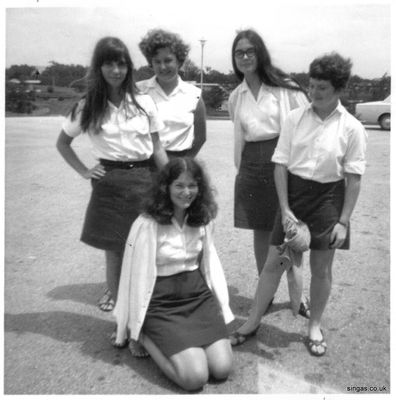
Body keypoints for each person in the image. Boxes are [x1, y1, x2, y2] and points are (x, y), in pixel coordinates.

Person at [229, 52, 367, 357]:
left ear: (339, 90)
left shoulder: (353, 128)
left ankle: (314, 325)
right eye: (313, 85)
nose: (314, 93)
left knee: (321, 269)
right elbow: (280, 165)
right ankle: (252, 321)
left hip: (329, 202)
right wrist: (286, 209)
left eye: (323, 88)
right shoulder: (294, 119)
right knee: (275, 264)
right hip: (295, 199)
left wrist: (343, 222)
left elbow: (354, 178)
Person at [56, 37, 168, 314]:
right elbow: (62, 143)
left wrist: (171, 179)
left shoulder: (144, 102)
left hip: (145, 179)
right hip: (110, 185)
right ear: (99, 67)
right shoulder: (87, 106)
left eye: (121, 64)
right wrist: (84, 170)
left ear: (129, 67)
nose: (116, 70)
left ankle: (146, 314)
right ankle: (122, 321)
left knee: (147, 251)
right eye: (109, 64)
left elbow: (157, 147)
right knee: (115, 252)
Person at [113, 158, 234, 391]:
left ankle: (184, 345)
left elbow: (210, 264)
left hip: (197, 298)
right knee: (194, 377)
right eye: (179, 185)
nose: (186, 192)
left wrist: (222, 304)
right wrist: (131, 322)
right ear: (165, 187)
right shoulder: (147, 223)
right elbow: (133, 273)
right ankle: (145, 336)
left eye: (192, 185)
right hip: (161, 303)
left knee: (222, 368)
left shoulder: (202, 219)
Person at [228, 29, 309, 277]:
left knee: (291, 229)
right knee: (261, 230)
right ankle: (266, 289)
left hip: (282, 163)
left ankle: (299, 296)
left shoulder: (285, 88)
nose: (244, 57)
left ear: (260, 53)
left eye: (250, 51)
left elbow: (307, 122)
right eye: (239, 53)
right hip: (252, 165)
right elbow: (240, 134)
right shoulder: (236, 96)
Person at [137, 29, 206, 158]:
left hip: (179, 163)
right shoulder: (138, 91)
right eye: (157, 61)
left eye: (168, 60)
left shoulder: (194, 95)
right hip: (145, 165)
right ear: (150, 63)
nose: (162, 67)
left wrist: (185, 165)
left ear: (179, 61)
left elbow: (200, 138)